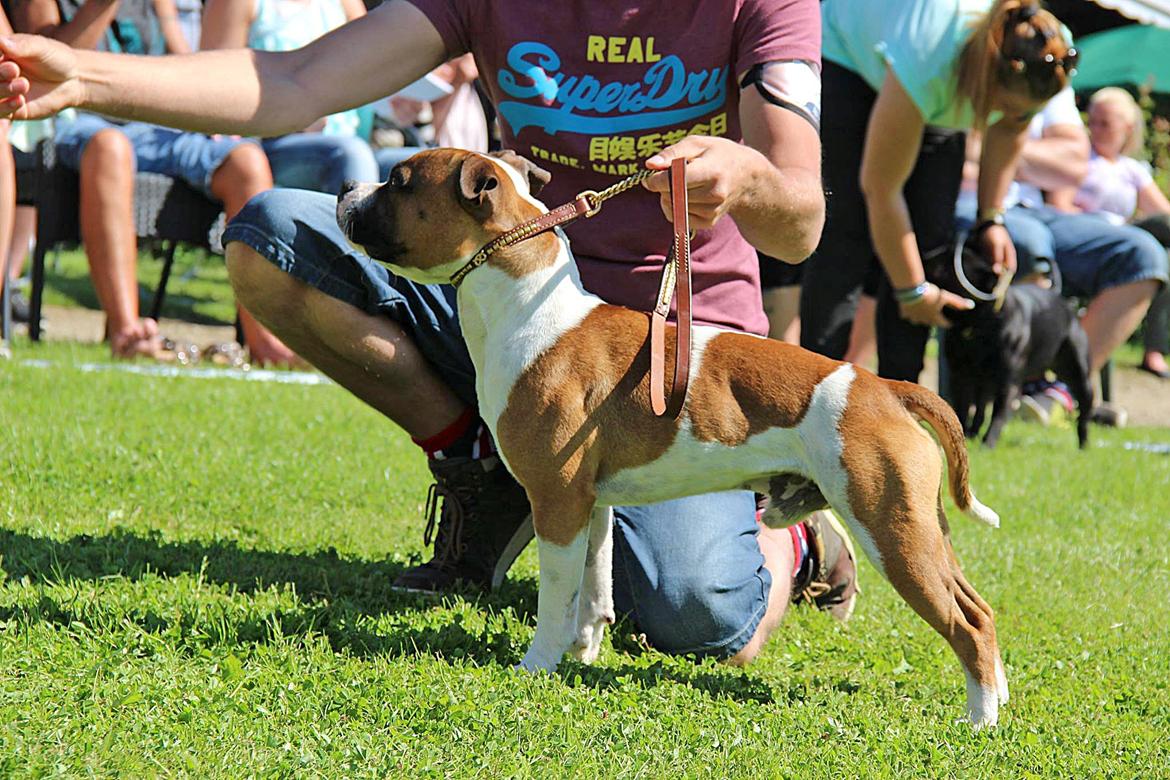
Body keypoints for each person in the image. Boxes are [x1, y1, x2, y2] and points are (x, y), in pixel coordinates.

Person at [0, 0, 859, 665]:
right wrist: (85, 75)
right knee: (273, 238)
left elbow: (802, 225)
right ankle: (483, 468)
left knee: (699, 618)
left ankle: (782, 517)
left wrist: (751, 178)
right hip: (500, 309)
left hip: (667, 361)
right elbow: (295, 81)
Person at [802, 0, 1077, 384]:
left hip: (931, 78)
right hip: (849, 57)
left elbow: (1011, 130)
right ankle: (813, 397)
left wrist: (990, 219)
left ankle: (904, 406)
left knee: (930, 244)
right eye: (1003, 107)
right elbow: (880, 188)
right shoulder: (931, 58)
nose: (1004, 117)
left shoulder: (1047, 52)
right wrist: (911, 290)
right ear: (986, 78)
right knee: (847, 236)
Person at [11, 0, 300, 364]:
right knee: (111, 149)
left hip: (155, 122)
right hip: (79, 119)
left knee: (246, 161)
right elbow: (49, 68)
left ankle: (266, 340)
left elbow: (179, 59)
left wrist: (210, 109)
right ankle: (127, 331)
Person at [954, 84, 1167, 390]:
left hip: (1035, 210)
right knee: (1029, 241)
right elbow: (953, 153)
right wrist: (1035, 162)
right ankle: (1023, 383)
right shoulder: (967, 62)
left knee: (1144, 254)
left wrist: (994, 151)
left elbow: (1071, 166)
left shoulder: (1052, 78)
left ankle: (1061, 389)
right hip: (977, 205)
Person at [1047, 87, 1170, 380]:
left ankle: (1154, 348)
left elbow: (1160, 209)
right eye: (1093, 122)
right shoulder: (1079, 159)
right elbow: (1058, 205)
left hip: (1125, 239)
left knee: (1167, 257)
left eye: (1105, 124)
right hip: (1087, 236)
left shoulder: (1132, 169)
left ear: (1127, 128)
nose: (1096, 130)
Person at [200, 0, 384, 195]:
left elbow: (372, 71)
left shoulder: (345, 3)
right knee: (352, 154)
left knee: (411, 165)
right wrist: (291, 113)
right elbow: (213, 90)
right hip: (273, 146)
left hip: (352, 142)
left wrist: (399, 101)